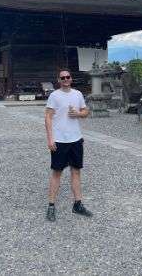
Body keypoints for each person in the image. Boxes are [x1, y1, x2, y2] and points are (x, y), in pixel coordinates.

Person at [44, 69, 92, 222]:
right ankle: (51, 206)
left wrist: (78, 114)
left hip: (76, 139)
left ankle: (78, 204)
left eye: (68, 77)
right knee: (56, 172)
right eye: (62, 77)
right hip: (59, 140)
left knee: (76, 171)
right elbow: (48, 117)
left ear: (71, 79)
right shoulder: (54, 96)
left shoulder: (77, 94)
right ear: (59, 80)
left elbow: (85, 111)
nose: (65, 79)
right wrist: (50, 138)